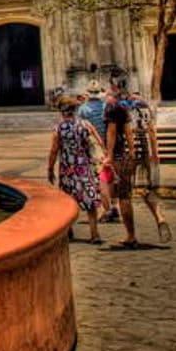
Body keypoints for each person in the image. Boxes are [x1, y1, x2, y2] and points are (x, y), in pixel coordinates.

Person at [47, 97, 103, 243]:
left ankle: (70, 231)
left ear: (62, 111)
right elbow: (99, 141)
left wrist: (50, 168)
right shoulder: (85, 124)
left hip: (67, 169)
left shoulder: (59, 128)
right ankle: (95, 234)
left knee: (68, 199)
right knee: (89, 197)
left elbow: (54, 150)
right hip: (84, 166)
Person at [128, 90, 172, 243]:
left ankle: (131, 234)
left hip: (133, 154)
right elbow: (152, 132)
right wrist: (155, 154)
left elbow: (128, 133)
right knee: (148, 189)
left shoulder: (129, 112)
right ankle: (159, 217)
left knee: (126, 192)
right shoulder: (147, 112)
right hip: (146, 152)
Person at [103, 76, 138, 248]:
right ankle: (130, 233)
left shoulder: (111, 107)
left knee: (122, 197)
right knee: (125, 196)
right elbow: (128, 132)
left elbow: (111, 132)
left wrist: (108, 156)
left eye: (109, 87)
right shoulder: (124, 107)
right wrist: (131, 151)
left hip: (116, 156)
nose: (107, 90)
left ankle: (130, 236)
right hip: (124, 155)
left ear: (114, 88)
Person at [77, 82, 114, 220]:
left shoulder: (83, 109)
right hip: (108, 144)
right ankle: (112, 205)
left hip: (93, 147)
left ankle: (107, 209)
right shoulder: (106, 107)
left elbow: (81, 130)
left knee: (100, 179)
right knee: (109, 177)